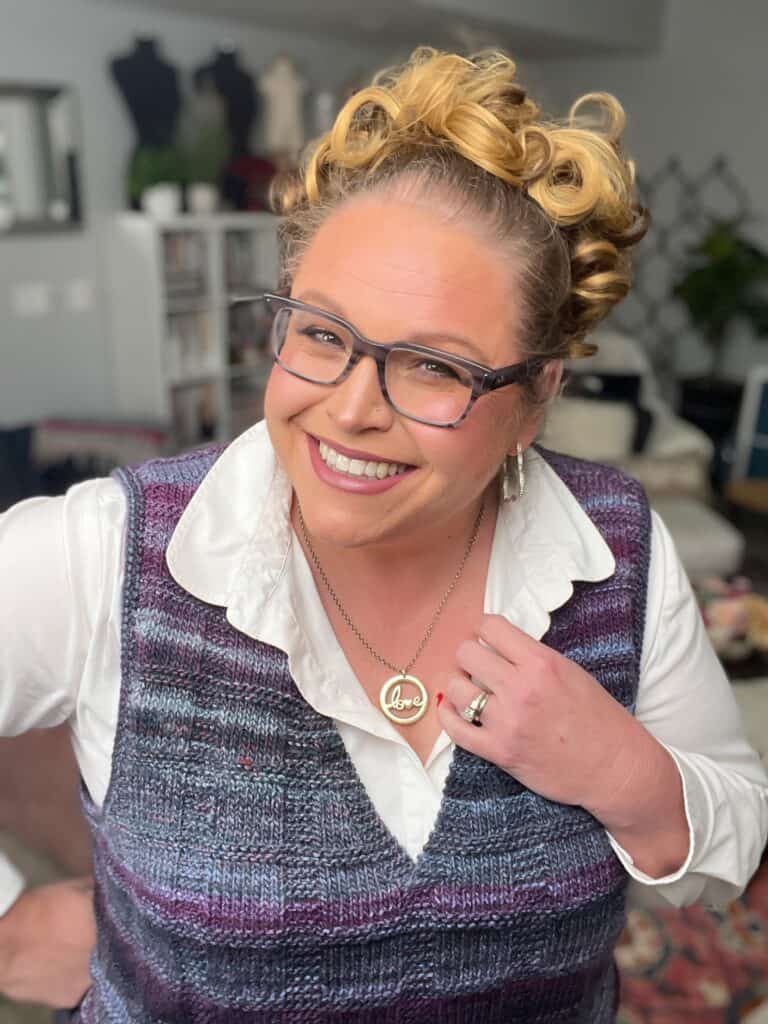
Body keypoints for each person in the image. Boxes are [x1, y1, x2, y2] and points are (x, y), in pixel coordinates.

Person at [0, 47, 766, 1022]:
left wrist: (630, 776)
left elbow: (732, 837)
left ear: (535, 400)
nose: (349, 408)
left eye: (434, 367)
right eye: (321, 335)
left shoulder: (615, 555)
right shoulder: (112, 553)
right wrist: (12, 925)